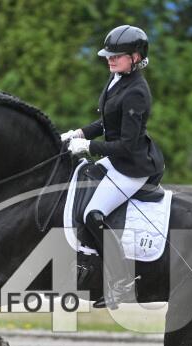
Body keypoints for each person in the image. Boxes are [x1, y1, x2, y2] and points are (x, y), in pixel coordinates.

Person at [61, 25, 165, 308]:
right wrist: (78, 133)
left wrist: (89, 146)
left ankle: (123, 282)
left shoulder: (137, 92)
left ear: (135, 57)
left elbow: (127, 145)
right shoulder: (116, 78)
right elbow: (106, 122)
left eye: (116, 56)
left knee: (93, 214)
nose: (110, 59)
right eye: (108, 55)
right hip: (116, 160)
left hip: (132, 166)